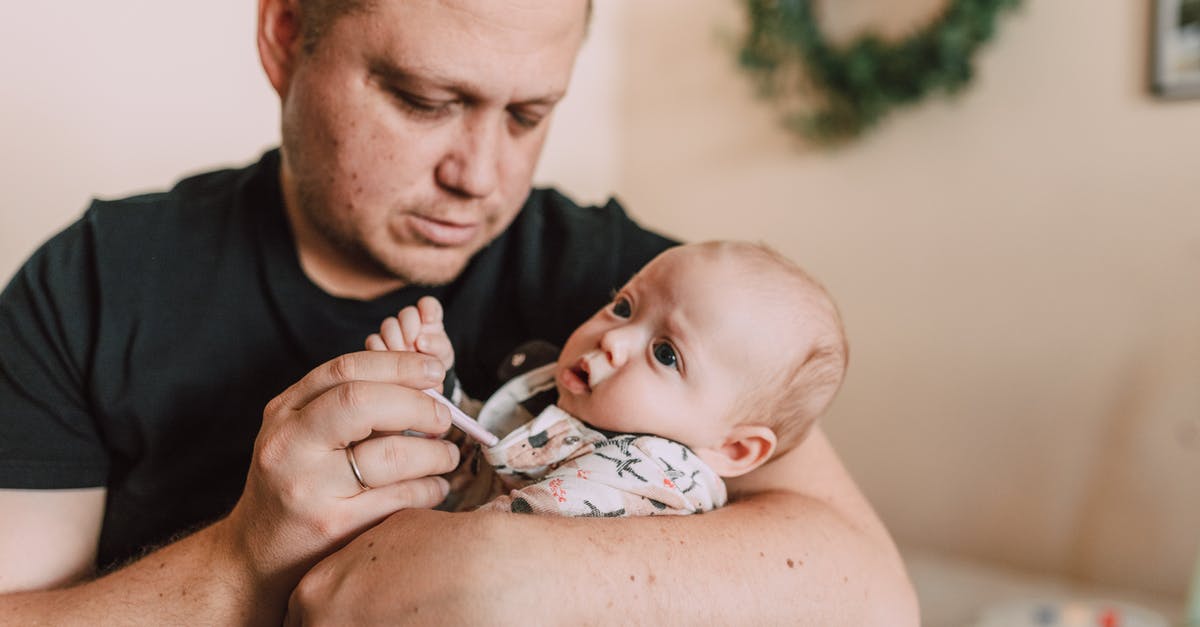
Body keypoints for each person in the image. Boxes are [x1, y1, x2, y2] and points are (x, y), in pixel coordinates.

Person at [0, 0, 918, 624]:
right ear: (286, 35)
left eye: (528, 116)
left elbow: (871, 590)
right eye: (424, 100)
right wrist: (239, 561)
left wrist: (504, 570)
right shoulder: (96, 282)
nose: (479, 176)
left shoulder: (632, 285)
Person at [367, 241, 848, 519]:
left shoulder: (652, 478)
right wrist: (435, 389)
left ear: (735, 450)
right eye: (624, 307)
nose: (614, 340)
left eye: (665, 353)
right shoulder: (563, 407)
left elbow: (496, 542)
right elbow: (485, 457)